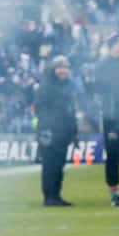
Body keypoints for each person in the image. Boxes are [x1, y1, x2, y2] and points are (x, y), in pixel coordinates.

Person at [94, 35, 119, 206]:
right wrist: (110, 119)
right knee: (113, 156)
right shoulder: (104, 65)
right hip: (113, 118)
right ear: (111, 46)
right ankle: (115, 194)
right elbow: (101, 93)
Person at [35, 56, 77, 206]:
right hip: (50, 131)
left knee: (59, 165)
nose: (63, 71)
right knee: (50, 165)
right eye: (60, 67)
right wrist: (46, 129)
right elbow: (40, 109)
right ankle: (49, 196)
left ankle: (56, 195)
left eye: (65, 67)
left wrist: (73, 131)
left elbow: (71, 110)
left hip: (64, 132)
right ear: (53, 69)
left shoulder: (69, 86)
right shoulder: (46, 86)